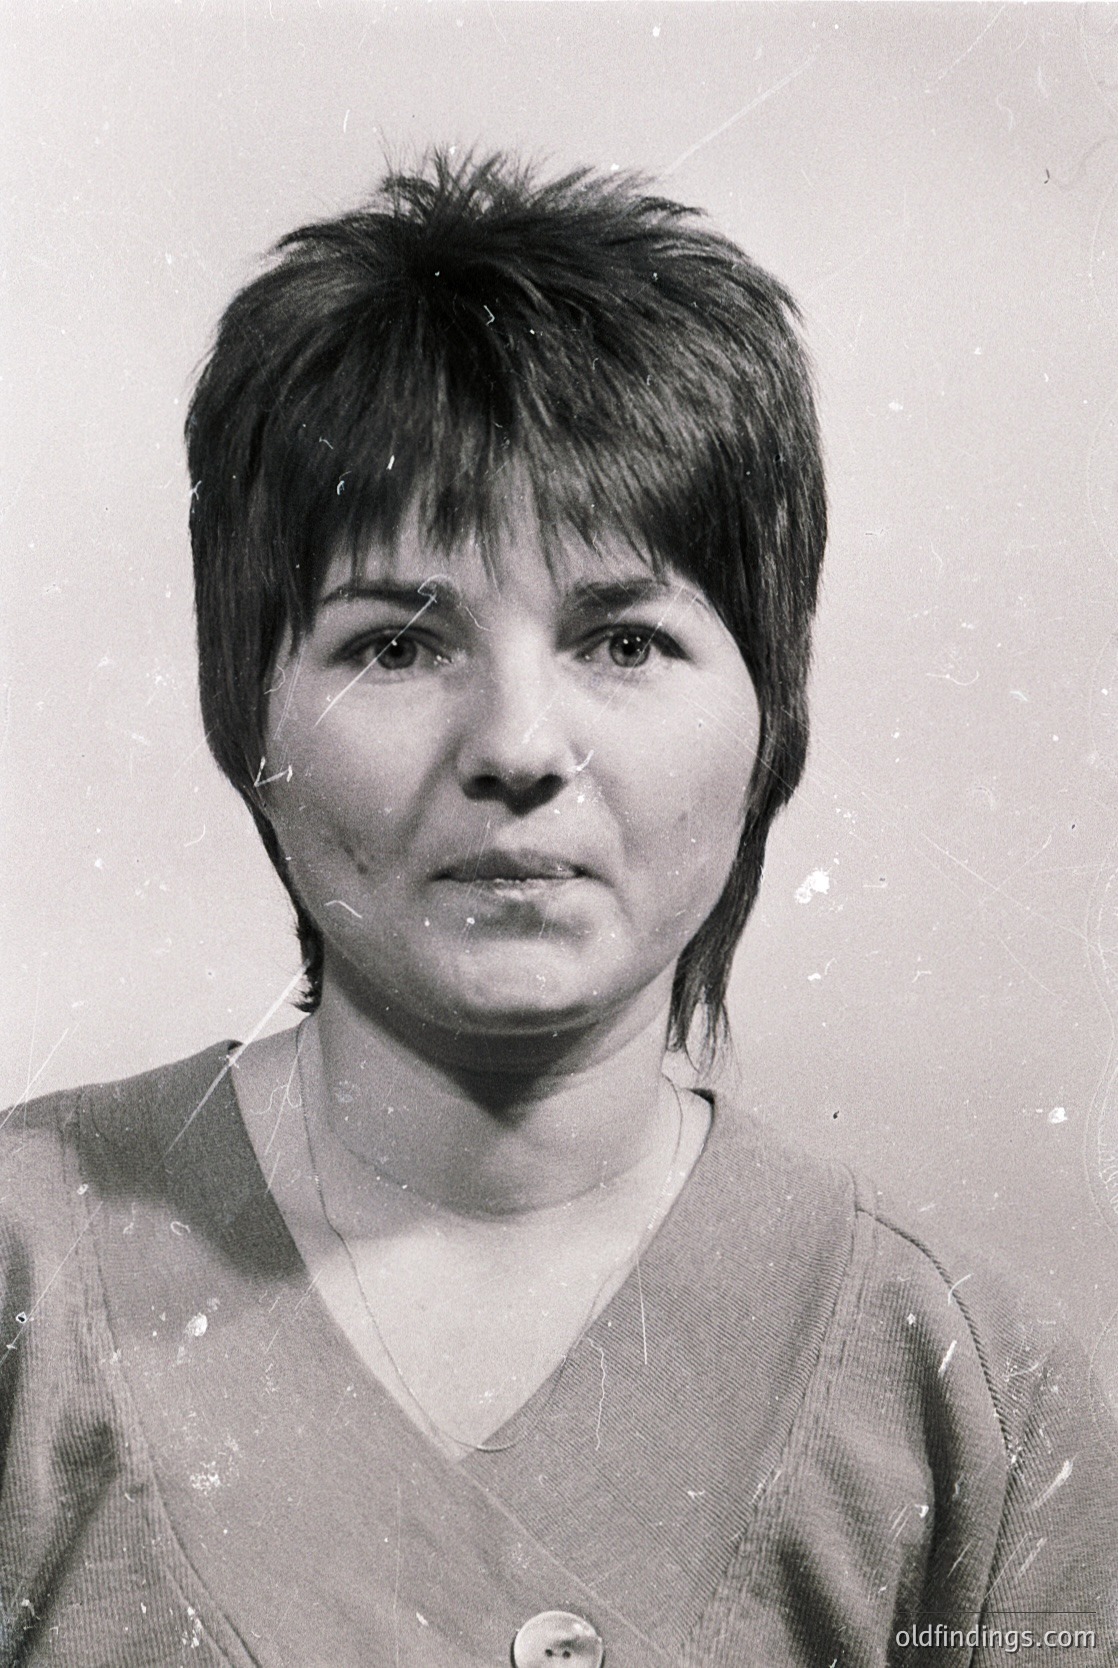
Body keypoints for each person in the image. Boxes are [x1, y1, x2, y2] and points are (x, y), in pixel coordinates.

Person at [0, 151, 1115, 1668]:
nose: (519, 747)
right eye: (397, 644)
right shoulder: (25, 1284)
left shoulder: (975, 1397)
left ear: (770, 715)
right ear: (243, 715)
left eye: (625, 639)